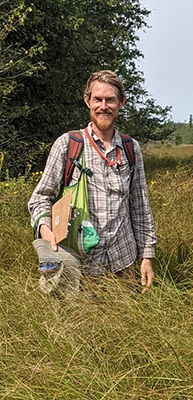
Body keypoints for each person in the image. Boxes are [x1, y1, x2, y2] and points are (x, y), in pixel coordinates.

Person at [28, 70, 156, 296]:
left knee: (125, 327)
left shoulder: (130, 148)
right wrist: (45, 228)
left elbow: (140, 206)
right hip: (79, 266)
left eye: (110, 100)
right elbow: (40, 197)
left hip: (123, 264)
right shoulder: (68, 144)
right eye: (98, 99)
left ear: (121, 103)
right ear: (88, 101)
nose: (103, 106)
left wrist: (146, 257)